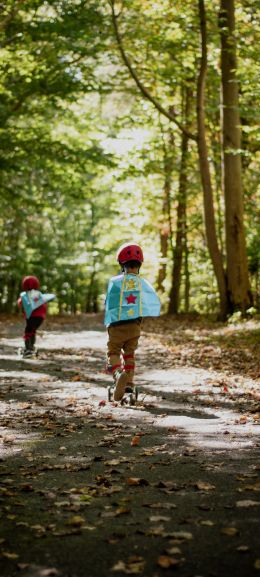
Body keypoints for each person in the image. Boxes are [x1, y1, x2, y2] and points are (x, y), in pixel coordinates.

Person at [104, 242, 160, 401]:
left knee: (113, 352)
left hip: (117, 325)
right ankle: (128, 382)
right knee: (129, 354)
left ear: (122, 264)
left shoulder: (115, 282)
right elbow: (148, 303)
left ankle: (117, 374)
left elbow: (109, 303)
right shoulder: (143, 284)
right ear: (140, 264)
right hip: (135, 326)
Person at [18, 275, 55, 357]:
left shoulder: (25, 295)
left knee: (28, 332)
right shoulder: (38, 295)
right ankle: (31, 347)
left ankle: (28, 349)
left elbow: (20, 303)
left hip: (31, 317)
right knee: (32, 331)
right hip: (40, 318)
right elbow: (45, 302)